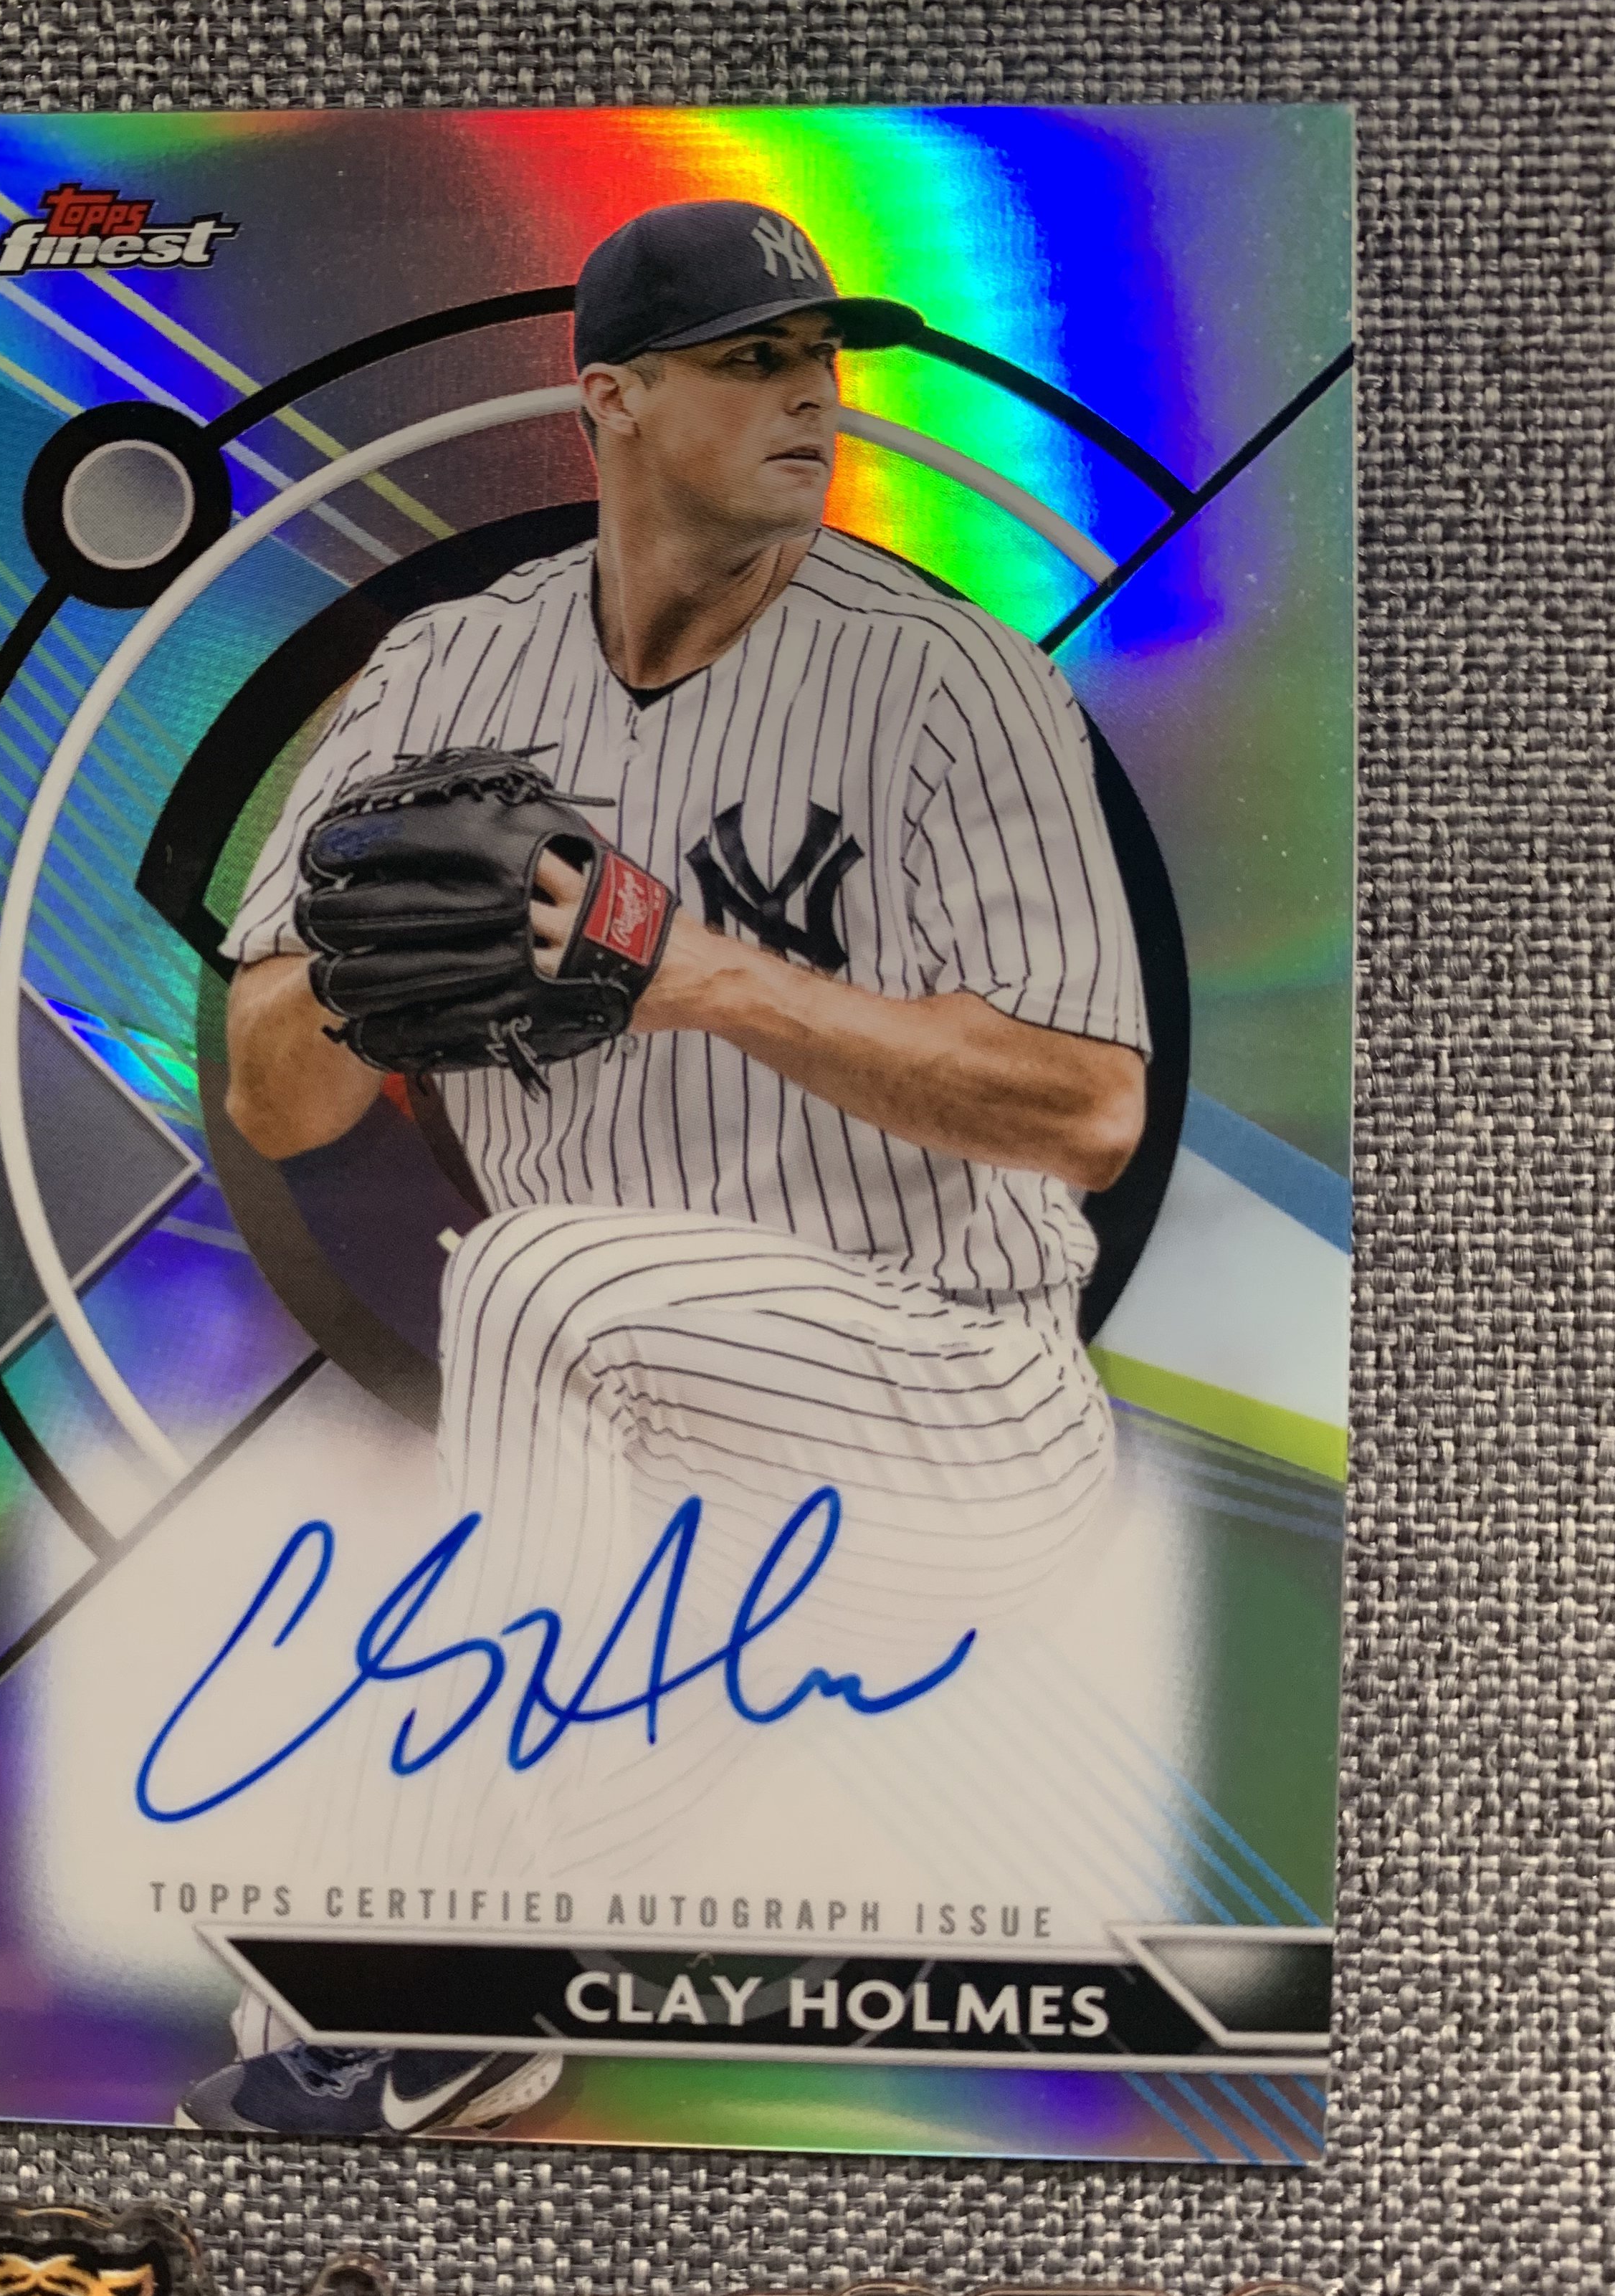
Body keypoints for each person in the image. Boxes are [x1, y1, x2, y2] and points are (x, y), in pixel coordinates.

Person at [180, 198, 1149, 2139]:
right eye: (751, 361)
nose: (812, 396)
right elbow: (275, 1104)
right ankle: (435, 1970)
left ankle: (459, 2003)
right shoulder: (447, 671)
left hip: (951, 1411)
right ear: (611, 399)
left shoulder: (950, 684)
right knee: (286, 1933)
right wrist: (368, 984)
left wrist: (704, 973)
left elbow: (1090, 1110)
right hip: (670, 1520)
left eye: (821, 359)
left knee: (540, 1280)